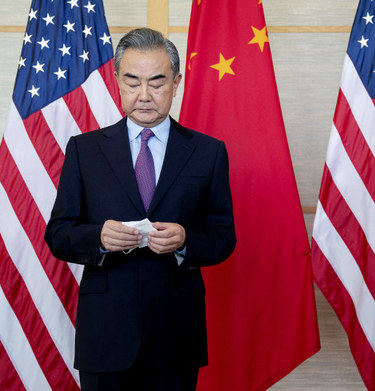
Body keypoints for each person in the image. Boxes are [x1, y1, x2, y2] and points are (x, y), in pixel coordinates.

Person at [44, 28, 236, 391]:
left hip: (176, 334)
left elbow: (224, 238)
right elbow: (58, 233)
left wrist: (184, 241)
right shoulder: (84, 150)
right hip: (105, 335)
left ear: (176, 82)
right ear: (117, 80)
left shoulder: (209, 152)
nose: (144, 96)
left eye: (157, 83)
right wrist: (98, 237)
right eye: (132, 82)